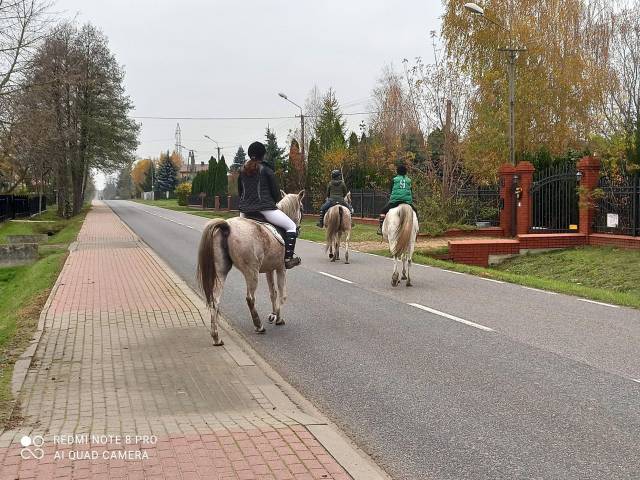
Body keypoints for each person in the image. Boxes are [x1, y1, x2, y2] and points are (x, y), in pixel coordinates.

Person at [238, 141, 301, 269]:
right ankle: (288, 259)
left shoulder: (242, 171)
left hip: (244, 212)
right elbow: (276, 195)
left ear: (250, 154)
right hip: (265, 209)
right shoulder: (266, 170)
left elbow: (240, 192)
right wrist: (270, 202)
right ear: (263, 155)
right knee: (291, 226)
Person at [377, 164, 418, 235]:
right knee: (416, 212)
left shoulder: (394, 179)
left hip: (395, 201)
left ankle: (380, 228)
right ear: (406, 172)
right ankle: (417, 229)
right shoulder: (409, 180)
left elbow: (391, 190)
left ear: (397, 172)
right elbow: (410, 191)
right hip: (407, 202)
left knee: (382, 211)